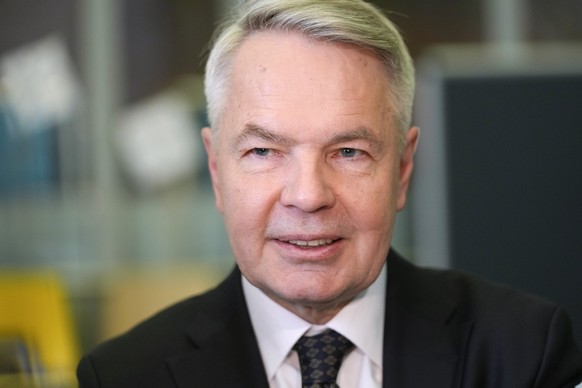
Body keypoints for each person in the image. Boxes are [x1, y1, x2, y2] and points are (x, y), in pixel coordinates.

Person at [77, 0, 582, 387]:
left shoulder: (525, 353)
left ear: (402, 170)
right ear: (216, 169)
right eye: (263, 152)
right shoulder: (124, 376)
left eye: (347, 152)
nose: (308, 195)